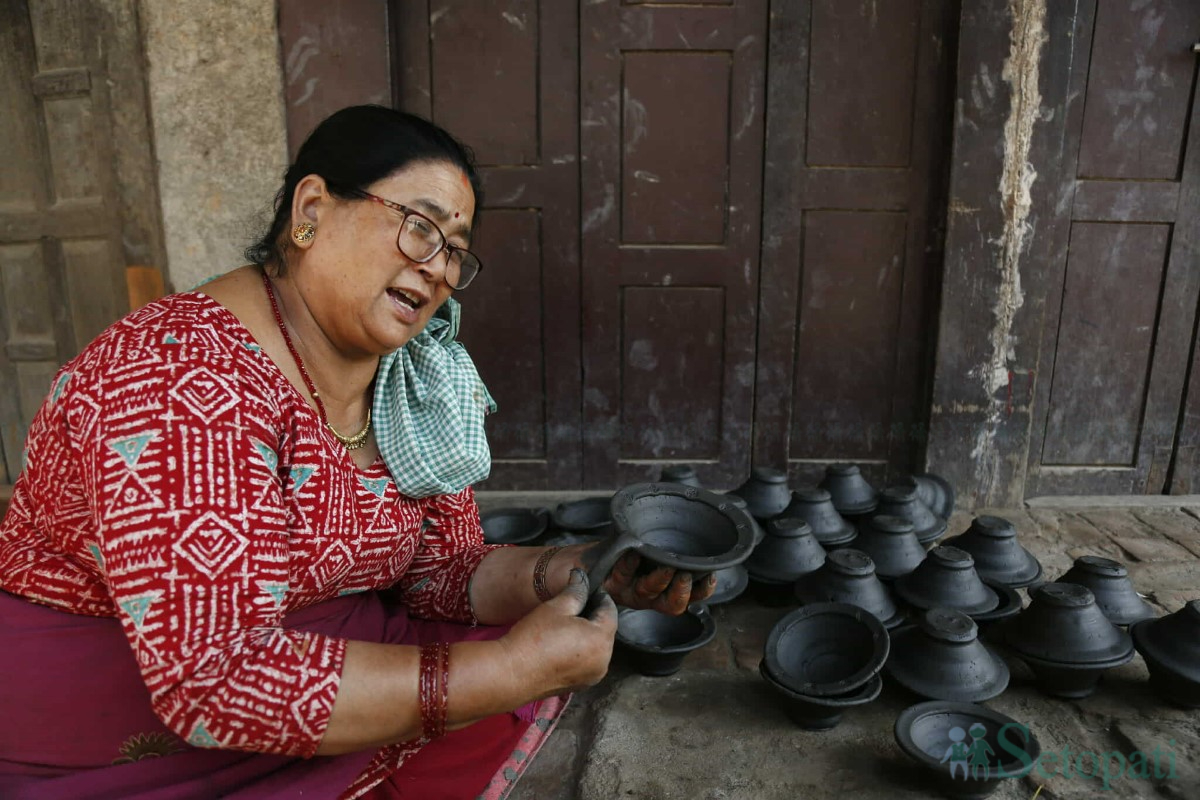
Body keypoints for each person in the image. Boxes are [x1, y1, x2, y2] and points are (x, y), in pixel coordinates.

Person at [0, 105, 715, 800]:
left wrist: (579, 569)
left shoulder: (411, 380)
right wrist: (501, 674)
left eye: (457, 252)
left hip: (308, 645)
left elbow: (443, 571)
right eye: (420, 228)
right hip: (126, 698)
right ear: (311, 210)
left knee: (509, 631)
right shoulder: (179, 378)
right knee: (494, 668)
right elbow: (215, 680)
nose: (439, 269)